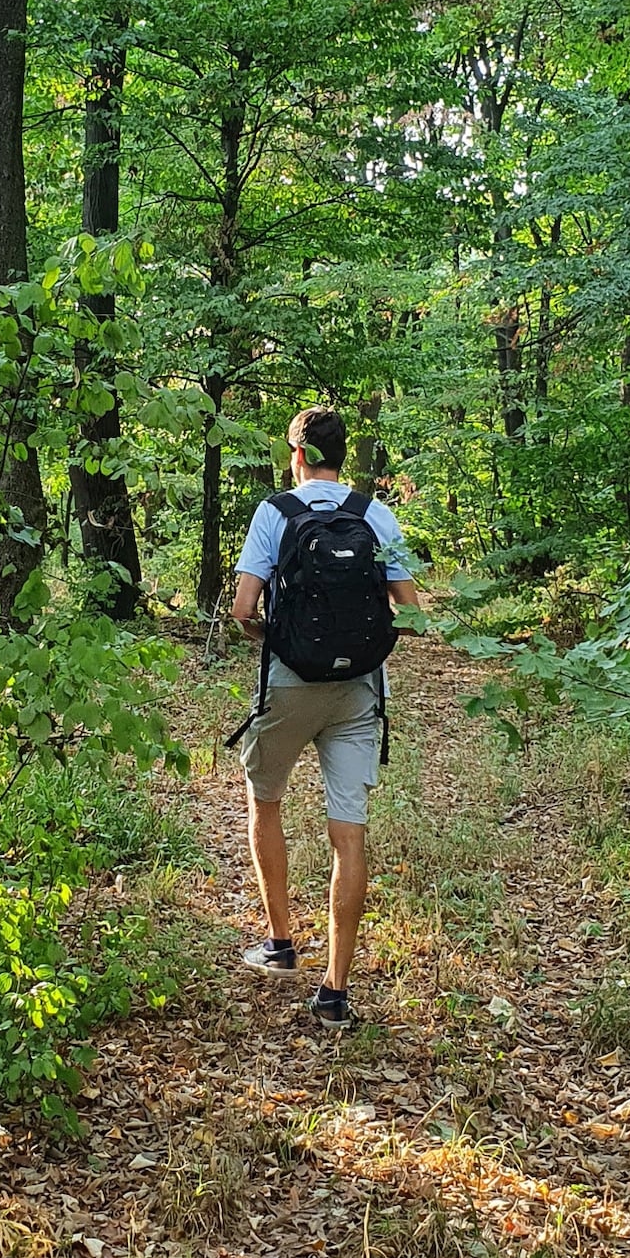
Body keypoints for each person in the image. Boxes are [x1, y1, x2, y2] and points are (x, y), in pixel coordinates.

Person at [229, 406, 421, 1029]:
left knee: (265, 799)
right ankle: (335, 992)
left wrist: (284, 637)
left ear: (298, 454)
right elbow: (411, 608)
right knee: (349, 833)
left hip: (289, 685)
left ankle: (281, 944)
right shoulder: (375, 514)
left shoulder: (275, 512)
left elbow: (243, 609)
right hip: (358, 690)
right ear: (341, 455)